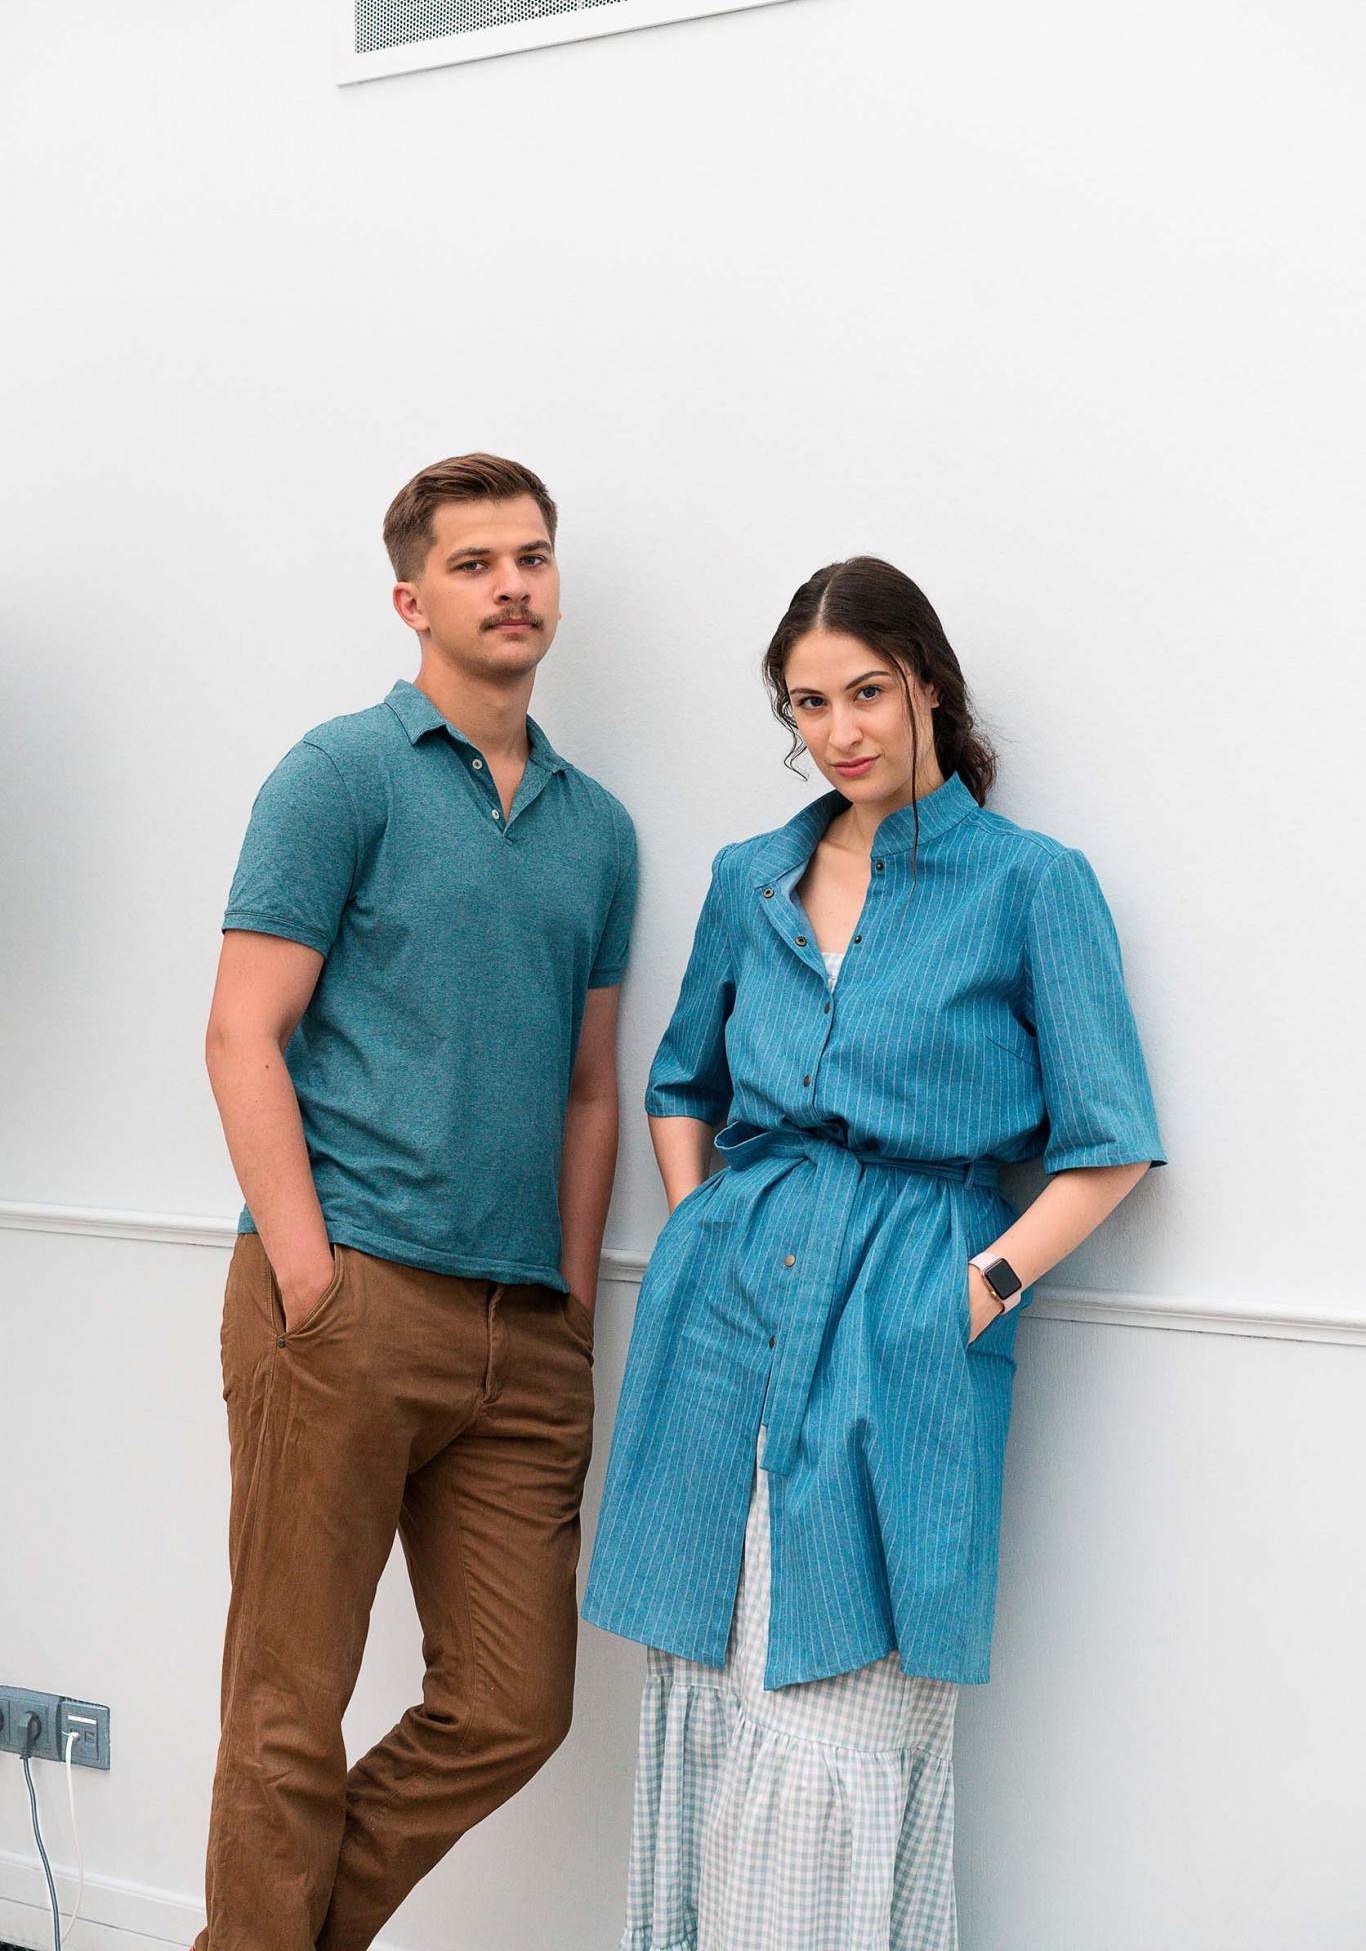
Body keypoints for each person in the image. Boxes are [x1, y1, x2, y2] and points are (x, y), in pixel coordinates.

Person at [582, 555, 1165, 1951]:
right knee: (713, 1674)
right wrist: (702, 1231)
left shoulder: (1029, 885)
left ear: (927, 688)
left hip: (906, 1308)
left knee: (842, 1687)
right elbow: (679, 1084)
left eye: (866, 692)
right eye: (809, 704)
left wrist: (975, 1291)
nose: (840, 730)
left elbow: (1111, 1142)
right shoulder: (752, 877)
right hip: (729, 1315)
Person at [198, 453, 636, 1951]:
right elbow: (241, 1033)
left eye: (532, 557)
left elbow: (590, 1090)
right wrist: (309, 1280)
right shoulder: (339, 775)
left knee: (514, 1706)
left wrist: (568, 1304)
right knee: (289, 1705)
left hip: (522, 1328)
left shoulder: (598, 830)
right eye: (474, 563)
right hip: (349, 1296)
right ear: (411, 600)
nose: (512, 585)